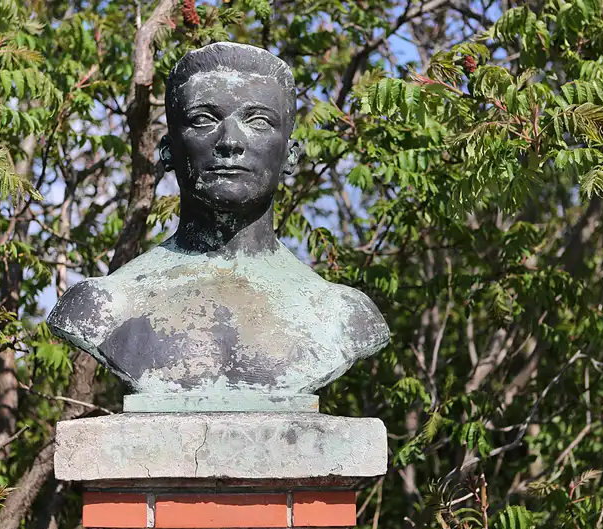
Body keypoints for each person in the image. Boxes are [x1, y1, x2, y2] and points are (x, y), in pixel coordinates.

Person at [47, 42, 389, 403]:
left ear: (290, 155)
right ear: (168, 151)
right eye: (203, 120)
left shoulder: (342, 315)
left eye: (258, 121)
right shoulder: (103, 306)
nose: (229, 141)